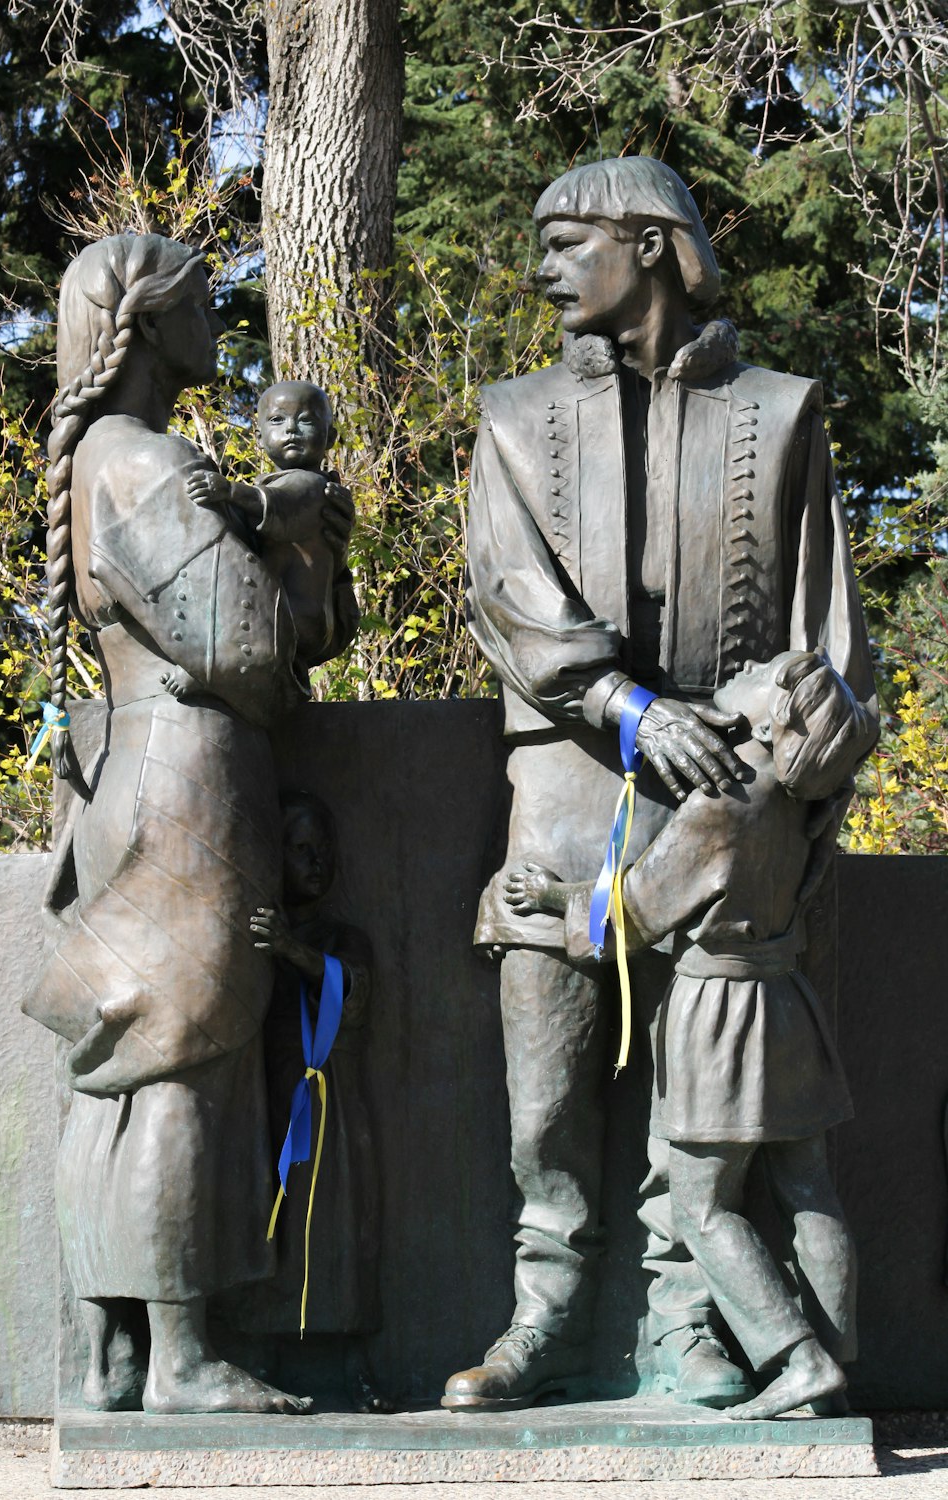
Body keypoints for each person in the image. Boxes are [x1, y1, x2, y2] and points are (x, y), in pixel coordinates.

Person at [444, 155, 877, 1413]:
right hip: (571, 774)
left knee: (701, 1092)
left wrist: (765, 763)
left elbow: (829, 631)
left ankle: (684, 1319)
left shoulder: (778, 412)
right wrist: (629, 709)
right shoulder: (514, 418)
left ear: (647, 245)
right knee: (549, 1072)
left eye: (565, 241)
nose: (542, 267)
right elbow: (507, 590)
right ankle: (548, 1309)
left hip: (729, 791)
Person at [23, 233, 354, 1415]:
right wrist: (280, 530)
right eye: (205, 303)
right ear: (149, 323)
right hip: (190, 779)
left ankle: (120, 1352)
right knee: (183, 1051)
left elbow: (295, 632)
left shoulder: (115, 460)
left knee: (139, 1056)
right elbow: (254, 652)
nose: (222, 318)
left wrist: (294, 528)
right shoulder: (144, 463)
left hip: (153, 773)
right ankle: (180, 1359)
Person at [504, 649, 873, 1419]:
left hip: (720, 1014)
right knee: (811, 1193)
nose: (745, 664)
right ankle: (838, 1361)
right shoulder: (811, 807)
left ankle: (798, 1361)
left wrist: (550, 895)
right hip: (788, 1006)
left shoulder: (721, 807)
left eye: (764, 670)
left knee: (702, 1205)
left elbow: (633, 913)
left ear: (772, 721)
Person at [246, 791, 387, 1413]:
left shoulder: (342, 938)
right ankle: (262, 1357)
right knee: (270, 1226)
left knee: (341, 1235)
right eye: (300, 849)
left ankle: (354, 1366)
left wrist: (294, 952)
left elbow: (352, 995)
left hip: (334, 1113)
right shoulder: (250, 936)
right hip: (267, 1112)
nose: (316, 862)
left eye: (324, 851)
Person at [164, 379, 358, 694]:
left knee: (243, 620)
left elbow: (278, 504)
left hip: (295, 613)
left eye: (306, 420)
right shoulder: (280, 481)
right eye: (277, 420)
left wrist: (228, 490)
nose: (291, 429)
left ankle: (209, 673)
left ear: (331, 438)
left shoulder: (312, 486)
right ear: (259, 436)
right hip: (289, 612)